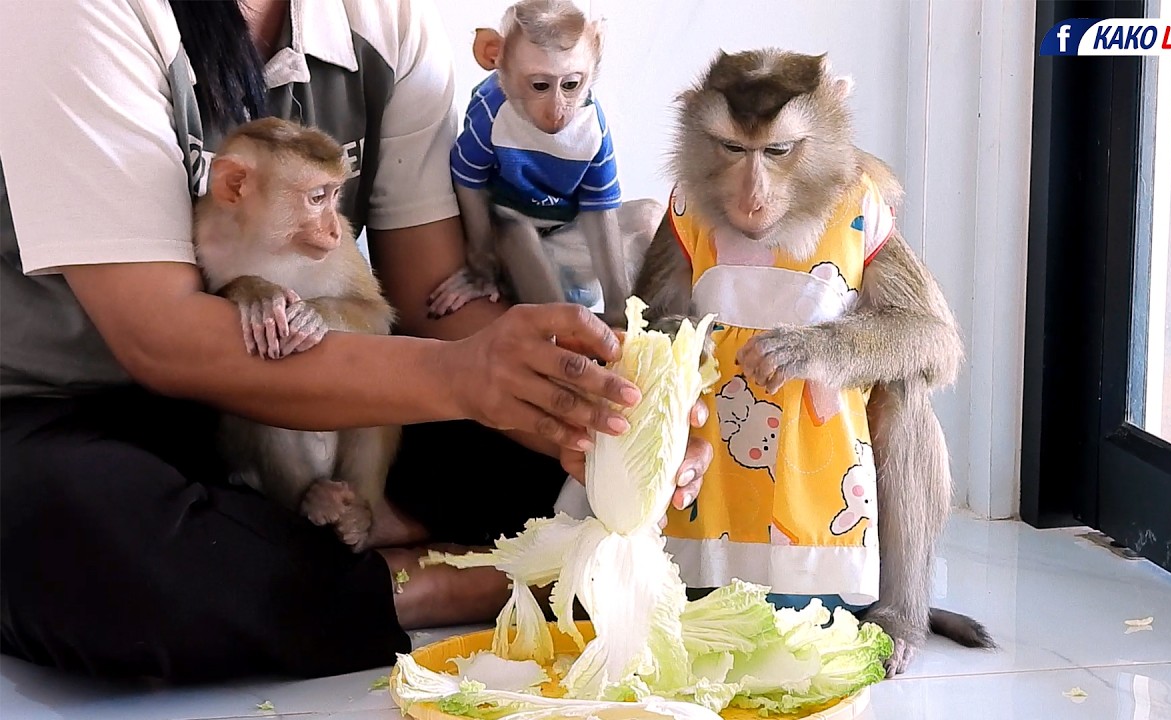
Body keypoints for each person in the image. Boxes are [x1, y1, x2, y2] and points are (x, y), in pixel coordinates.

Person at [0, 0, 709, 683]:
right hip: (67, 409)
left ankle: (321, 551)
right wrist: (466, 377)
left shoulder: (384, 18)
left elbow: (429, 299)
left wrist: (594, 406)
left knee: (562, 478)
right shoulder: (77, 10)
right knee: (102, 550)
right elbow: (160, 338)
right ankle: (434, 584)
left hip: (304, 379)